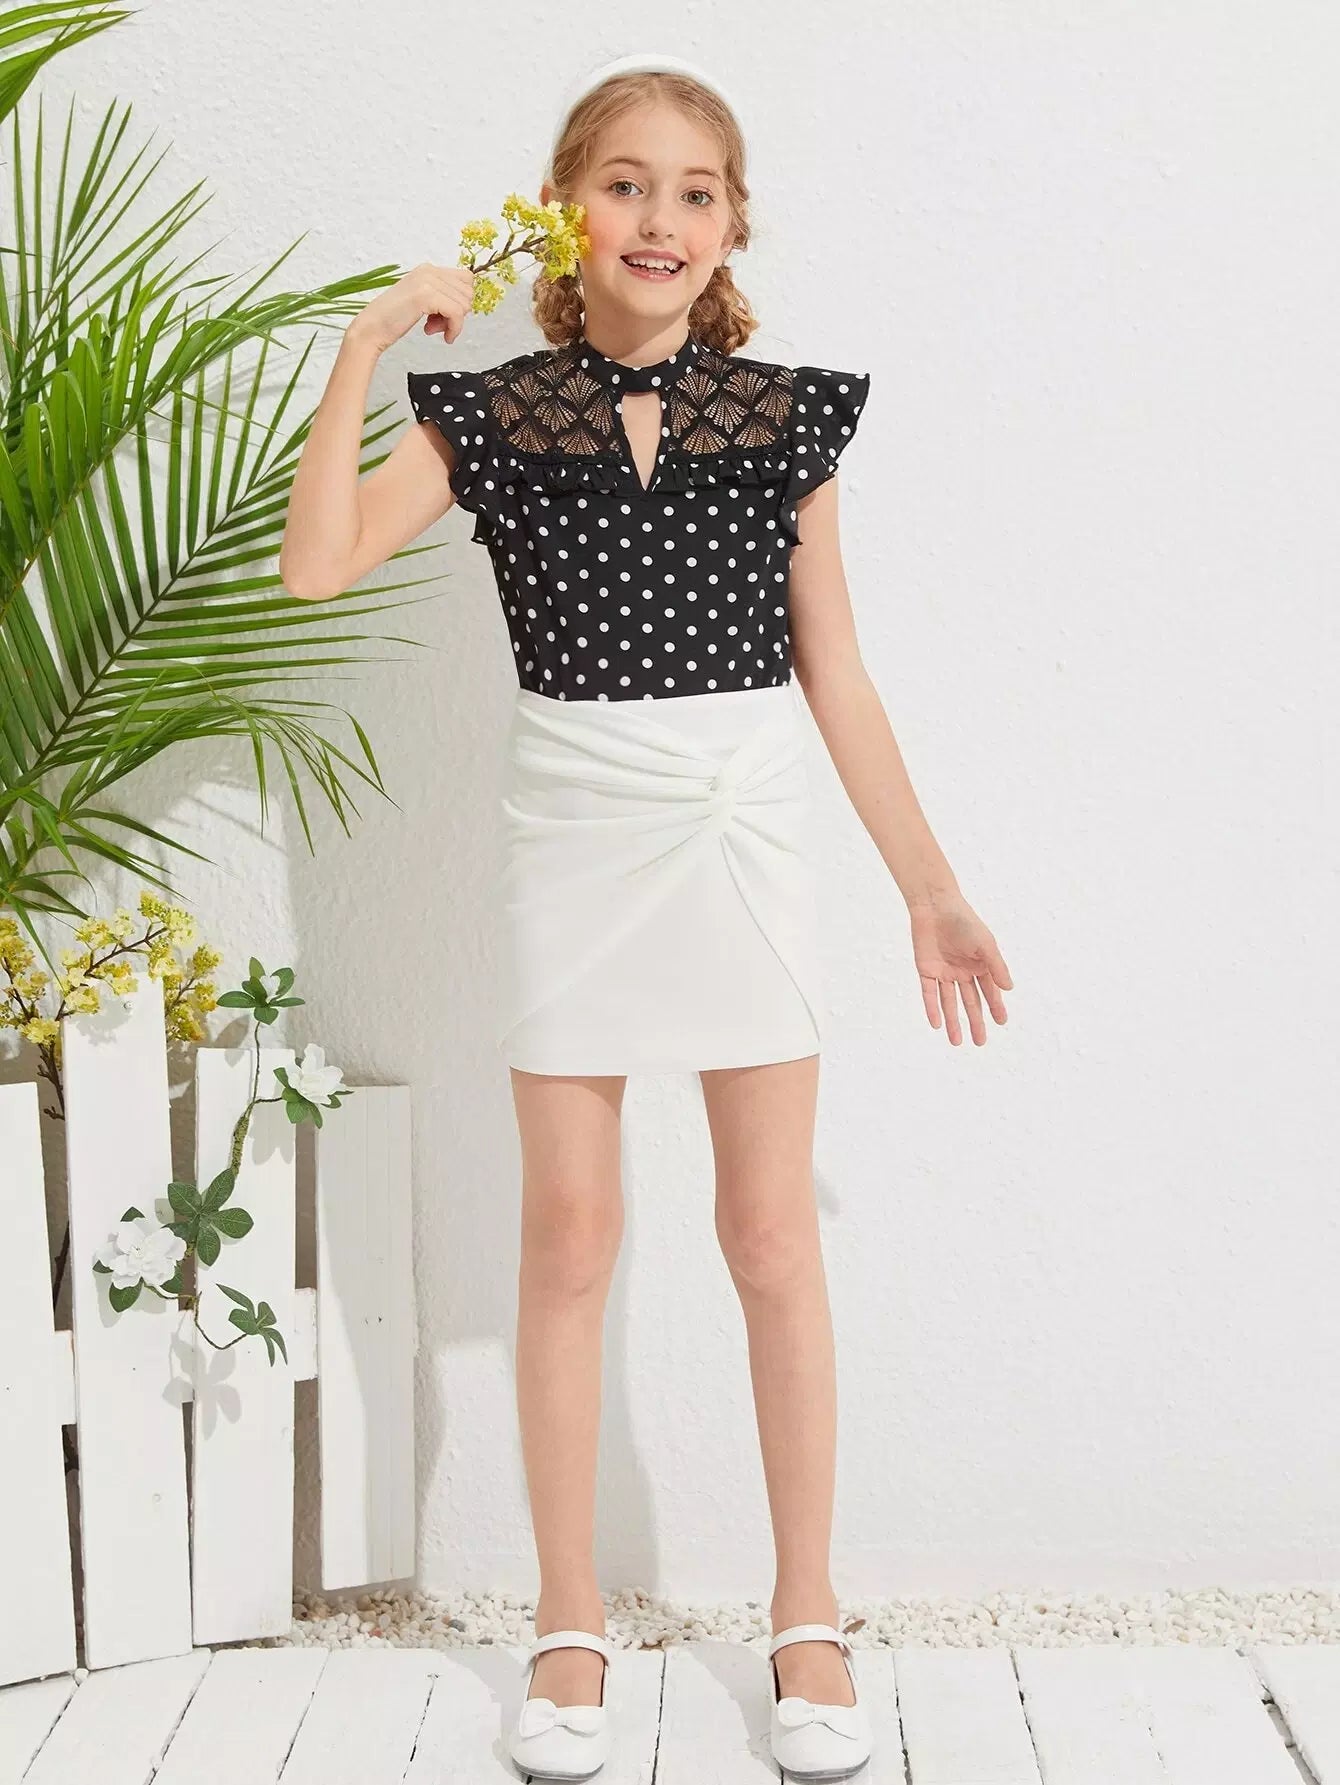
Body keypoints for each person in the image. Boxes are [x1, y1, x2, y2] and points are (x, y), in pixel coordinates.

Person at [280, 49, 1012, 1784]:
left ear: (734, 222)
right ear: (565, 210)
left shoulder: (787, 419)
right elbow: (318, 562)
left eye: (695, 191)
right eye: (625, 185)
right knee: (570, 1235)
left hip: (740, 837)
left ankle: (808, 1611)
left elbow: (838, 672)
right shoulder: (496, 414)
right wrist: (363, 348)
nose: (659, 218)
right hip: (574, 842)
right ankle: (566, 1618)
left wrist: (931, 887)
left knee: (769, 1237)